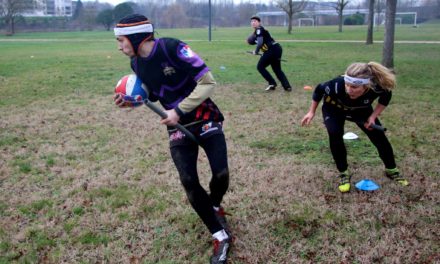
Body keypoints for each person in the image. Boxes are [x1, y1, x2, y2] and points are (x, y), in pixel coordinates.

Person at [113, 14, 231, 263]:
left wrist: (178, 110)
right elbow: (153, 95)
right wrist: (131, 102)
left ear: (136, 37)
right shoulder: (136, 65)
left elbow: (208, 82)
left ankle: (214, 206)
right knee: (189, 180)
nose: (119, 46)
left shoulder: (172, 47)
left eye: (121, 40)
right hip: (177, 127)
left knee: (221, 174)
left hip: (204, 116)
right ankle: (220, 234)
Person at [301, 62, 409, 193]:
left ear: (366, 85)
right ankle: (343, 173)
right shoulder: (336, 84)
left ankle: (392, 171)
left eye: (354, 87)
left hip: (360, 110)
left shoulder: (377, 87)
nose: (348, 89)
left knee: (379, 136)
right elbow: (318, 90)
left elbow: (386, 98)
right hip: (334, 109)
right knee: (335, 134)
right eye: (347, 84)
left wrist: (373, 116)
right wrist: (311, 112)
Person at [247, 15, 292, 92]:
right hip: (277, 48)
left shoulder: (259, 29)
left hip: (272, 49)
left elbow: (260, 42)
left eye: (255, 21)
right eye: (252, 21)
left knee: (260, 66)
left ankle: (272, 83)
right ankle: (287, 86)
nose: (253, 23)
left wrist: (256, 51)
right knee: (277, 69)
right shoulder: (259, 31)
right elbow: (259, 41)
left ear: (259, 22)